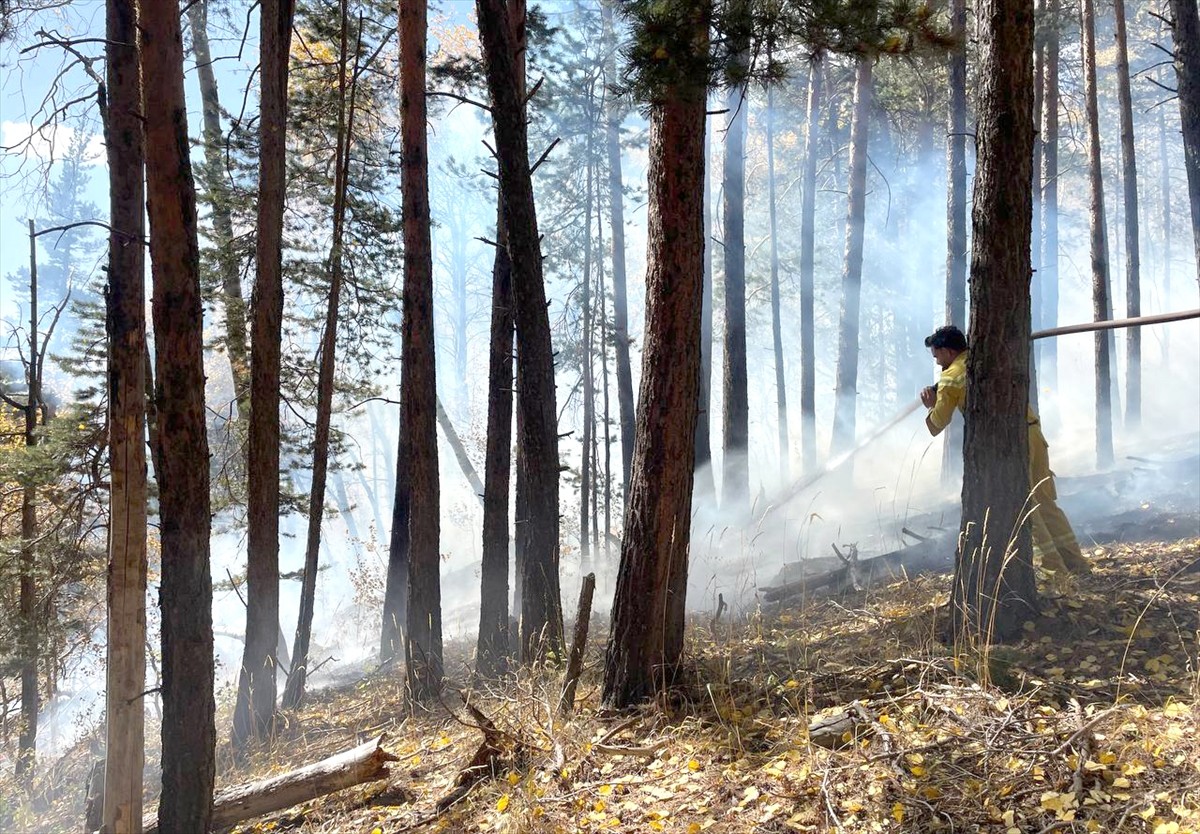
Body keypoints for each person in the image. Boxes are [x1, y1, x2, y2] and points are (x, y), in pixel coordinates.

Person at [920, 325, 1089, 578]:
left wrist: (931, 405)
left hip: (1009, 444)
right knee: (1044, 502)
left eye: (937, 356)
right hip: (1032, 433)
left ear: (946, 351)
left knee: (1025, 506)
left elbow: (937, 424)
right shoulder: (986, 357)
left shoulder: (950, 377)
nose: (937, 362)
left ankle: (1055, 572)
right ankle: (1076, 564)